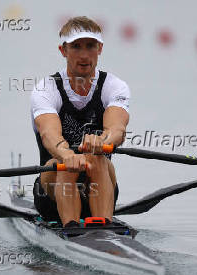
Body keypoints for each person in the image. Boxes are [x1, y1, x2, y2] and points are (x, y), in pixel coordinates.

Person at [30, 16, 130, 228]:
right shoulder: (46, 88)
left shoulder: (114, 86)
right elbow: (49, 134)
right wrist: (66, 154)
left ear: (100, 48)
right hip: (51, 193)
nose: (84, 55)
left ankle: (103, 228)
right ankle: (71, 227)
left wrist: (104, 140)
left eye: (90, 46)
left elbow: (117, 129)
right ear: (63, 50)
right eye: (76, 46)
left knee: (97, 157)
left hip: (100, 182)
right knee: (65, 164)